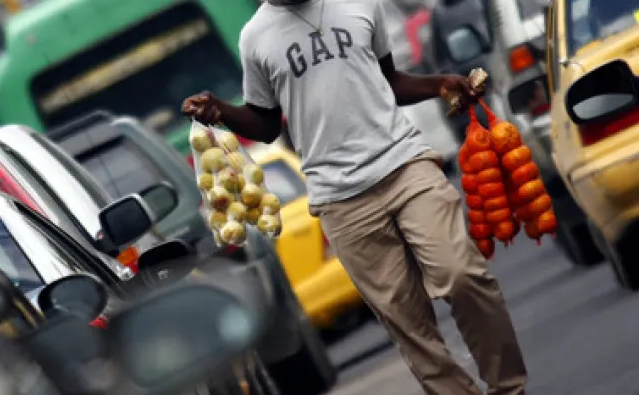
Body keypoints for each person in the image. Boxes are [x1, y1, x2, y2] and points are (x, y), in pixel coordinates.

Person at [182, 0, 527, 394]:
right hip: (341, 200)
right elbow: (263, 122)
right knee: (407, 323)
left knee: (464, 276)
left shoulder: (361, 3)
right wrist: (220, 109)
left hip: (405, 164)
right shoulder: (255, 37)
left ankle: (509, 388)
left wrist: (438, 83)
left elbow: (389, 80)